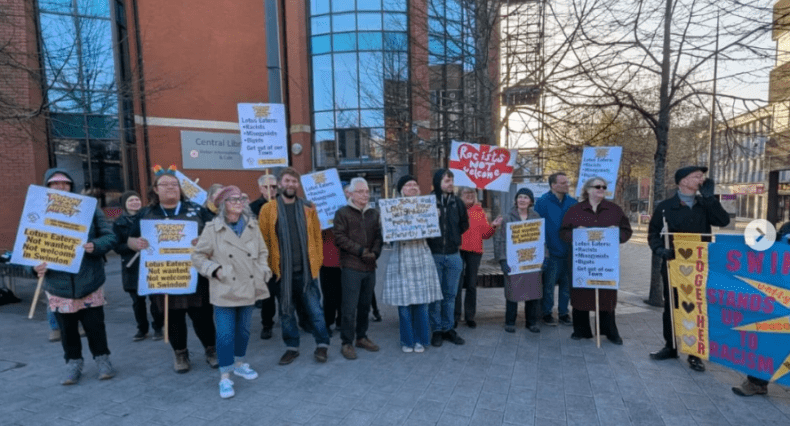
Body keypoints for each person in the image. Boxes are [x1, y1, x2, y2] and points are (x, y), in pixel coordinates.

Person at [128, 166, 218, 373]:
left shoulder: (196, 209)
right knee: (173, 318)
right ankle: (180, 354)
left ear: (181, 188)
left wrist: (203, 240)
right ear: (155, 190)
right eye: (165, 184)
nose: (170, 187)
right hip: (164, 276)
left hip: (195, 275)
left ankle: (211, 350)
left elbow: (215, 234)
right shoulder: (146, 213)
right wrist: (136, 243)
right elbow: (130, 239)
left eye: (174, 184)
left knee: (202, 316)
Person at [34, 168, 118, 385]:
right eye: (55, 183)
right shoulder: (37, 212)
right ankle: (73, 364)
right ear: (47, 187)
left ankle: (103, 361)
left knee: (95, 327)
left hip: (88, 281)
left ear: (71, 186)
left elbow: (109, 237)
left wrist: (95, 245)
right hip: (58, 285)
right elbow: (29, 248)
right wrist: (34, 268)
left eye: (65, 183)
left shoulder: (88, 209)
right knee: (67, 330)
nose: (61, 187)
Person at [192, 185, 272, 399]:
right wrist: (215, 270)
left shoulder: (252, 226)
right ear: (222, 205)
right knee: (225, 334)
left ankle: (239, 363)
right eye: (233, 199)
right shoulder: (212, 228)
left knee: (244, 331)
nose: (239, 202)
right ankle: (225, 377)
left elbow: (263, 252)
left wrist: (264, 269)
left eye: (241, 198)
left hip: (249, 284)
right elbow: (198, 257)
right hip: (225, 286)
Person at [648, 165, 729, 372]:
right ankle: (671, 346)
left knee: (698, 307)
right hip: (673, 264)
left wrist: (711, 199)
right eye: (697, 176)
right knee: (672, 305)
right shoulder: (665, 206)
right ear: (683, 181)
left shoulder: (705, 204)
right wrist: (659, 250)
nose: (702, 180)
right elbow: (654, 233)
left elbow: (723, 221)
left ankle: (695, 353)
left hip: (699, 267)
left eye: (702, 176)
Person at [258, 167, 331, 365]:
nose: (291, 185)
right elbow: (263, 240)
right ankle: (292, 347)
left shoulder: (309, 207)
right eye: (287, 181)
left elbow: (316, 236)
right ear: (280, 184)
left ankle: (322, 345)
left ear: (298, 185)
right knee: (286, 312)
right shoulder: (268, 209)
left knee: (315, 311)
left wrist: (318, 261)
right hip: (282, 273)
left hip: (308, 271)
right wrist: (268, 268)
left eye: (294, 181)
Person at [560, 177, 632, 344]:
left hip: (605, 262)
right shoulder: (575, 210)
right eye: (598, 186)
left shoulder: (614, 210)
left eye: (604, 187)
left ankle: (609, 331)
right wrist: (576, 234)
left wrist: (616, 235)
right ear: (587, 190)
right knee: (581, 295)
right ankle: (581, 331)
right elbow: (563, 233)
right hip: (583, 262)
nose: (601, 189)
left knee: (606, 296)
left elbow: (627, 231)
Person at [383, 175, 443, 353]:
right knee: (404, 304)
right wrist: (384, 224)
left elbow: (432, 235)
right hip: (402, 258)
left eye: (415, 184)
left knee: (422, 303)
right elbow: (388, 238)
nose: (412, 187)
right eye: (408, 185)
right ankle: (407, 340)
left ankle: (421, 339)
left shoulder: (426, 207)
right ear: (401, 190)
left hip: (421, 257)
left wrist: (435, 218)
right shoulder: (392, 208)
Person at [333, 177, 383, 360]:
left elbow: (379, 236)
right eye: (361, 191)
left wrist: (375, 253)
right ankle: (347, 342)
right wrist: (361, 251)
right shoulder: (342, 213)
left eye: (367, 191)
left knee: (364, 306)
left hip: (369, 267)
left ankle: (362, 337)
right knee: (349, 307)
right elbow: (339, 237)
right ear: (351, 194)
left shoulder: (374, 213)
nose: (365, 195)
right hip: (351, 266)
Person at [113, 190, 164, 342]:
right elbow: (117, 247)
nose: (135, 202)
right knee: (137, 301)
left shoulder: (150, 216)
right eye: (131, 201)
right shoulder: (118, 223)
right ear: (125, 204)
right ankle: (142, 329)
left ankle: (158, 327)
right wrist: (133, 246)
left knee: (155, 299)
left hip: (151, 264)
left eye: (137, 199)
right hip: (132, 267)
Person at [427, 169, 469, 347]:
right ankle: (436, 330)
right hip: (434, 254)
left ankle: (448, 328)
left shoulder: (457, 202)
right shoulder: (427, 202)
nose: (450, 184)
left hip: (453, 254)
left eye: (451, 181)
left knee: (450, 294)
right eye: (446, 181)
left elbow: (464, 225)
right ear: (438, 182)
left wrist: (452, 238)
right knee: (436, 296)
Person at [494, 188, 542, 333]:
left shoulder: (536, 217)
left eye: (526, 197)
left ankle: (531, 322)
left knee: (532, 292)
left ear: (531, 201)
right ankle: (510, 321)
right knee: (512, 292)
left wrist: (544, 257)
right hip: (513, 261)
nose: (522, 200)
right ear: (516, 200)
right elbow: (500, 240)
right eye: (520, 197)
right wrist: (502, 260)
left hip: (531, 260)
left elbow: (541, 239)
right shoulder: (507, 218)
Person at [534, 172, 577, 326]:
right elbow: (536, 227)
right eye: (564, 182)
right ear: (553, 185)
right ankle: (547, 313)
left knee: (566, 286)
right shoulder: (542, 203)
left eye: (567, 182)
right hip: (550, 253)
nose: (567, 185)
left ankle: (564, 313)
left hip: (568, 252)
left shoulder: (572, 202)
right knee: (549, 286)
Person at [456, 187, 502, 328]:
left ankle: (470, 316)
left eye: (472, 193)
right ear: (460, 195)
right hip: (457, 250)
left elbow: (485, 235)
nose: (469, 195)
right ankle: (455, 315)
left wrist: (493, 226)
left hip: (475, 252)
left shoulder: (479, 212)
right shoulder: (455, 209)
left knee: (471, 285)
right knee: (456, 285)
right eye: (466, 193)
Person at [320, 228, 342, 336]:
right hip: (326, 261)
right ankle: (328, 323)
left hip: (344, 261)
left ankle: (340, 321)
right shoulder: (317, 213)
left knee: (343, 296)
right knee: (329, 297)